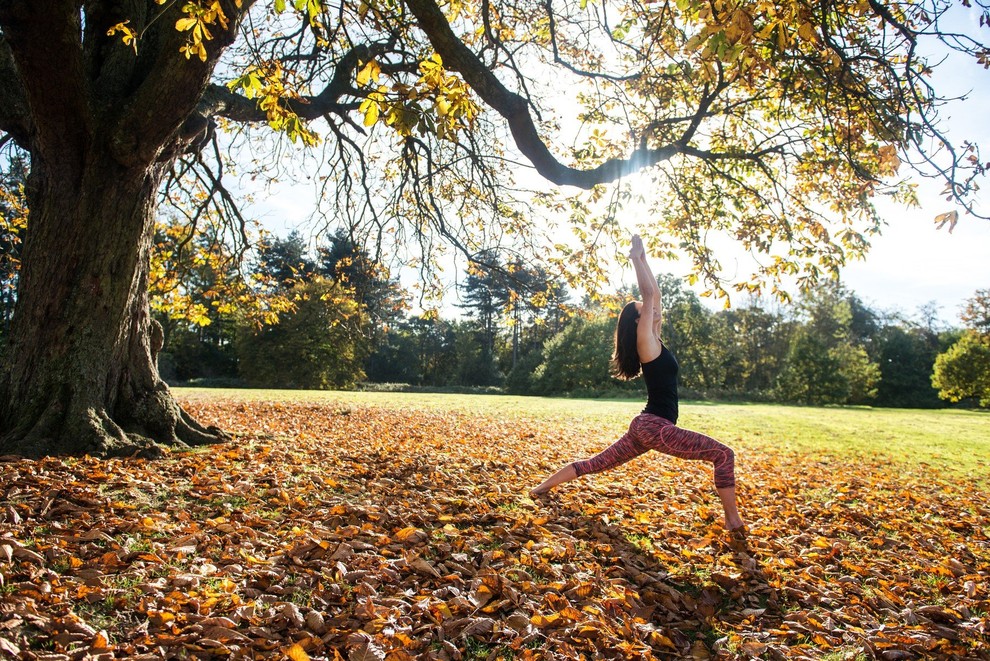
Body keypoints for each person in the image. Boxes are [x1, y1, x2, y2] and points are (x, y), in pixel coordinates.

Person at [530, 234, 745, 532]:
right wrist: (634, 258)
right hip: (655, 427)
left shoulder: (655, 340)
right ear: (637, 322)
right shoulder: (646, 343)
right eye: (644, 308)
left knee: (596, 463)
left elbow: (655, 294)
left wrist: (644, 259)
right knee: (723, 454)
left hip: (645, 426)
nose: (652, 306)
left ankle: (540, 488)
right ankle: (733, 521)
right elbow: (651, 295)